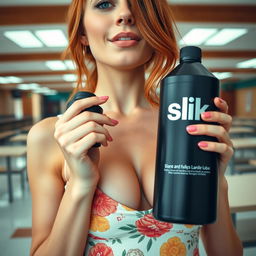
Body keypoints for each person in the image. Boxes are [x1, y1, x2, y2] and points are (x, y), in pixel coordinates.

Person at [27, 0, 243, 255]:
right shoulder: (52, 135)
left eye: (139, 4)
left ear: (157, 26)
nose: (126, 14)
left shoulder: (190, 123)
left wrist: (216, 182)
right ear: (82, 32)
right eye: (105, 4)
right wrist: (81, 184)